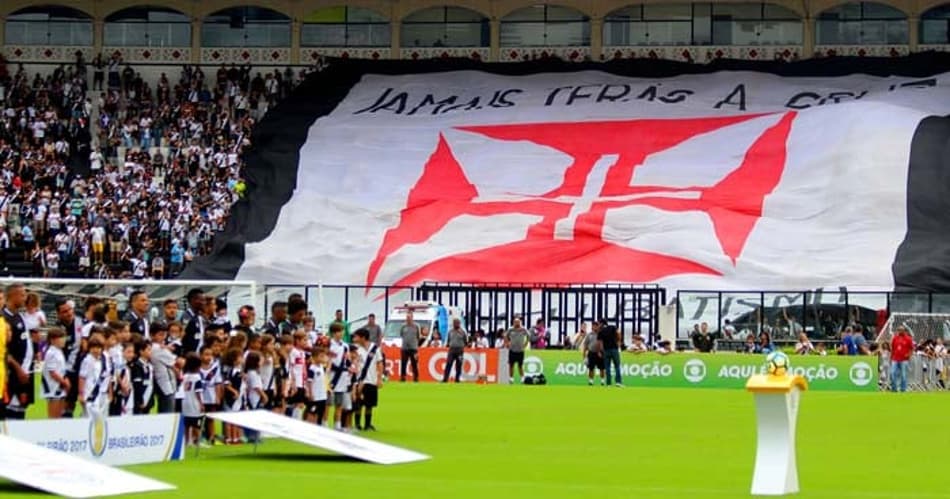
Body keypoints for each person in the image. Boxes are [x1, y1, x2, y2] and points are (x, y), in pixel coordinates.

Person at [5, 283, 34, 419]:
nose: (25, 298)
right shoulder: (4, 319)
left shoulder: (20, 316)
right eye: (22, 295)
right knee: (9, 413)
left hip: (25, 372)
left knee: (21, 411)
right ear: (13, 296)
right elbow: (4, 350)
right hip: (12, 374)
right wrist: (19, 369)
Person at [354, 328, 382, 431]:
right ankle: (357, 424)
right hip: (359, 380)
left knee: (369, 404)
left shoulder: (375, 348)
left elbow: (379, 363)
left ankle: (367, 424)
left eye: (357, 337)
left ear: (363, 337)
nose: (355, 339)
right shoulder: (356, 349)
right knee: (358, 403)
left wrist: (379, 378)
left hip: (371, 380)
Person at [150, 324, 179, 413]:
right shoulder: (157, 348)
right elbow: (178, 362)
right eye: (160, 334)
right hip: (165, 385)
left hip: (169, 384)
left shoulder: (161, 347)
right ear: (152, 335)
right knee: (168, 413)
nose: (163, 337)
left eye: (165, 334)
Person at [42, 327, 70, 419]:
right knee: (53, 417)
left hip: (60, 387)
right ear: (52, 340)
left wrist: (65, 380)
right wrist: (63, 382)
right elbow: (52, 372)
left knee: (59, 415)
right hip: (52, 387)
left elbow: (61, 369)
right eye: (61, 338)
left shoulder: (59, 351)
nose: (63, 340)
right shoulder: (51, 352)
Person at [78, 336, 110, 417]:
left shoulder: (102, 361)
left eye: (98, 348)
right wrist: (81, 394)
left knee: (100, 416)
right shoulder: (87, 361)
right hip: (89, 392)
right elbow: (82, 377)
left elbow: (107, 376)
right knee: (89, 416)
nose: (96, 350)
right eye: (93, 348)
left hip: (99, 393)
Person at [180, 352, 205, 447]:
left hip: (185, 402)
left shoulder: (185, 376)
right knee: (196, 424)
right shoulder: (197, 378)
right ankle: (198, 441)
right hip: (194, 403)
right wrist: (201, 404)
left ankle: (187, 441)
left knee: (187, 424)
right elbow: (198, 392)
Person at [130, 338, 154, 415]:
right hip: (140, 400)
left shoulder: (149, 366)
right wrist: (140, 401)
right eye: (148, 350)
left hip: (148, 399)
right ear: (141, 351)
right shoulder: (137, 365)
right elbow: (137, 385)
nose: (151, 352)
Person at [305, 348, 329, 426]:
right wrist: (310, 393)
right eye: (321, 356)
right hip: (315, 396)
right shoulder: (312, 368)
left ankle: (318, 427)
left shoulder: (322, 367)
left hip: (322, 396)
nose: (323, 358)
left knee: (320, 413)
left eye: (323, 356)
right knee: (312, 412)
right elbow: (309, 382)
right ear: (314, 357)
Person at [596, 319, 623, 387]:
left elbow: (600, 343)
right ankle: (618, 382)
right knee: (617, 366)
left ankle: (608, 384)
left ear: (602, 324)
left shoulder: (600, 332)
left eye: (599, 324)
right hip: (614, 349)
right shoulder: (612, 327)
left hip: (606, 351)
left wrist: (600, 351)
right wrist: (619, 342)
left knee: (607, 367)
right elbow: (619, 333)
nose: (598, 326)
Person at [505, 318, 529, 383]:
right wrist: (507, 343)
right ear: (513, 323)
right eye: (515, 322)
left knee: (520, 365)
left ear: (520, 322)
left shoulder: (523, 329)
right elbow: (506, 336)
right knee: (511, 365)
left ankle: (522, 378)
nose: (517, 323)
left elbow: (528, 336)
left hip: (520, 350)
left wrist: (526, 343)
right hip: (512, 350)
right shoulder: (510, 329)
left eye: (518, 322)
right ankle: (511, 378)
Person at [890, 325, 914, 393]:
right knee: (892, 373)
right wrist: (891, 358)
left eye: (901, 330)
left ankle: (903, 389)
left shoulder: (908, 339)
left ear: (904, 331)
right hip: (895, 358)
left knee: (904, 375)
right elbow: (893, 348)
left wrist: (909, 355)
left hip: (904, 359)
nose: (900, 331)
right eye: (899, 329)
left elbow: (912, 348)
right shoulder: (895, 338)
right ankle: (894, 389)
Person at [442, 318, 466, 383]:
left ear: (459, 324)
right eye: (454, 323)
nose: (455, 324)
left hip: (460, 350)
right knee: (448, 364)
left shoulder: (462, 332)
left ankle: (457, 379)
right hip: (452, 350)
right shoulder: (450, 331)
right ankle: (445, 379)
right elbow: (449, 340)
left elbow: (465, 341)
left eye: (457, 323)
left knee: (459, 365)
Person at [399, 311, 420, 382]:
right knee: (403, 363)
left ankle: (416, 377)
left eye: (409, 317)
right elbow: (401, 335)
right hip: (404, 348)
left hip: (413, 348)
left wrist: (416, 347)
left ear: (412, 318)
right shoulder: (403, 326)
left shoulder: (416, 326)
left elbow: (418, 336)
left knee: (414, 363)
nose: (408, 319)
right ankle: (403, 377)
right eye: (407, 317)